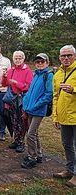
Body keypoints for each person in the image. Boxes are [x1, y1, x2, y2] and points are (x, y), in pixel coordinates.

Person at [20, 53, 53, 169]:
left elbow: (48, 95)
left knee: (30, 134)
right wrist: (25, 104)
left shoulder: (48, 76)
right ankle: (38, 154)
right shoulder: (36, 75)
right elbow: (30, 92)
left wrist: (35, 106)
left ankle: (31, 157)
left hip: (38, 110)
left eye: (42, 62)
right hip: (30, 109)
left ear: (47, 63)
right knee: (34, 133)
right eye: (37, 62)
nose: (39, 64)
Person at [52, 45, 76, 187]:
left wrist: (74, 89)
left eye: (69, 55)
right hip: (64, 116)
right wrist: (56, 116)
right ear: (59, 57)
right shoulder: (57, 75)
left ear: (74, 56)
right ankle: (69, 170)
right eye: (63, 56)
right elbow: (55, 96)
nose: (66, 58)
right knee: (67, 145)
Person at [2, 51, 33, 152]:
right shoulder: (11, 70)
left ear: (23, 59)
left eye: (20, 58)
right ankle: (16, 140)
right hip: (12, 100)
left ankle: (22, 143)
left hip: (22, 99)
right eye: (16, 58)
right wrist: (4, 77)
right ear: (13, 59)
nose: (18, 60)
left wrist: (17, 83)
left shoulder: (28, 71)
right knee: (13, 120)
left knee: (22, 122)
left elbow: (28, 87)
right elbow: (5, 84)